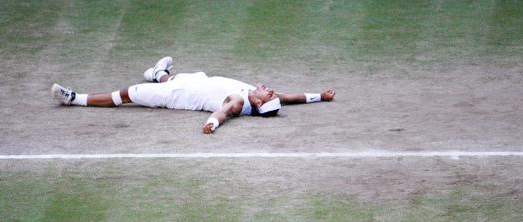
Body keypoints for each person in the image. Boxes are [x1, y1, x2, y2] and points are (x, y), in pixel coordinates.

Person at [52, 56, 336, 134]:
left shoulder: (239, 102)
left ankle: (74, 98)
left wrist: (212, 124)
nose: (271, 89)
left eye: (268, 93)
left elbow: (223, 113)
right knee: (171, 75)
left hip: (178, 96)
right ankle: (157, 72)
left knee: (126, 94)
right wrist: (320, 96)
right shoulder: (255, 96)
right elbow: (290, 98)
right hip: (194, 81)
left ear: (258, 103)